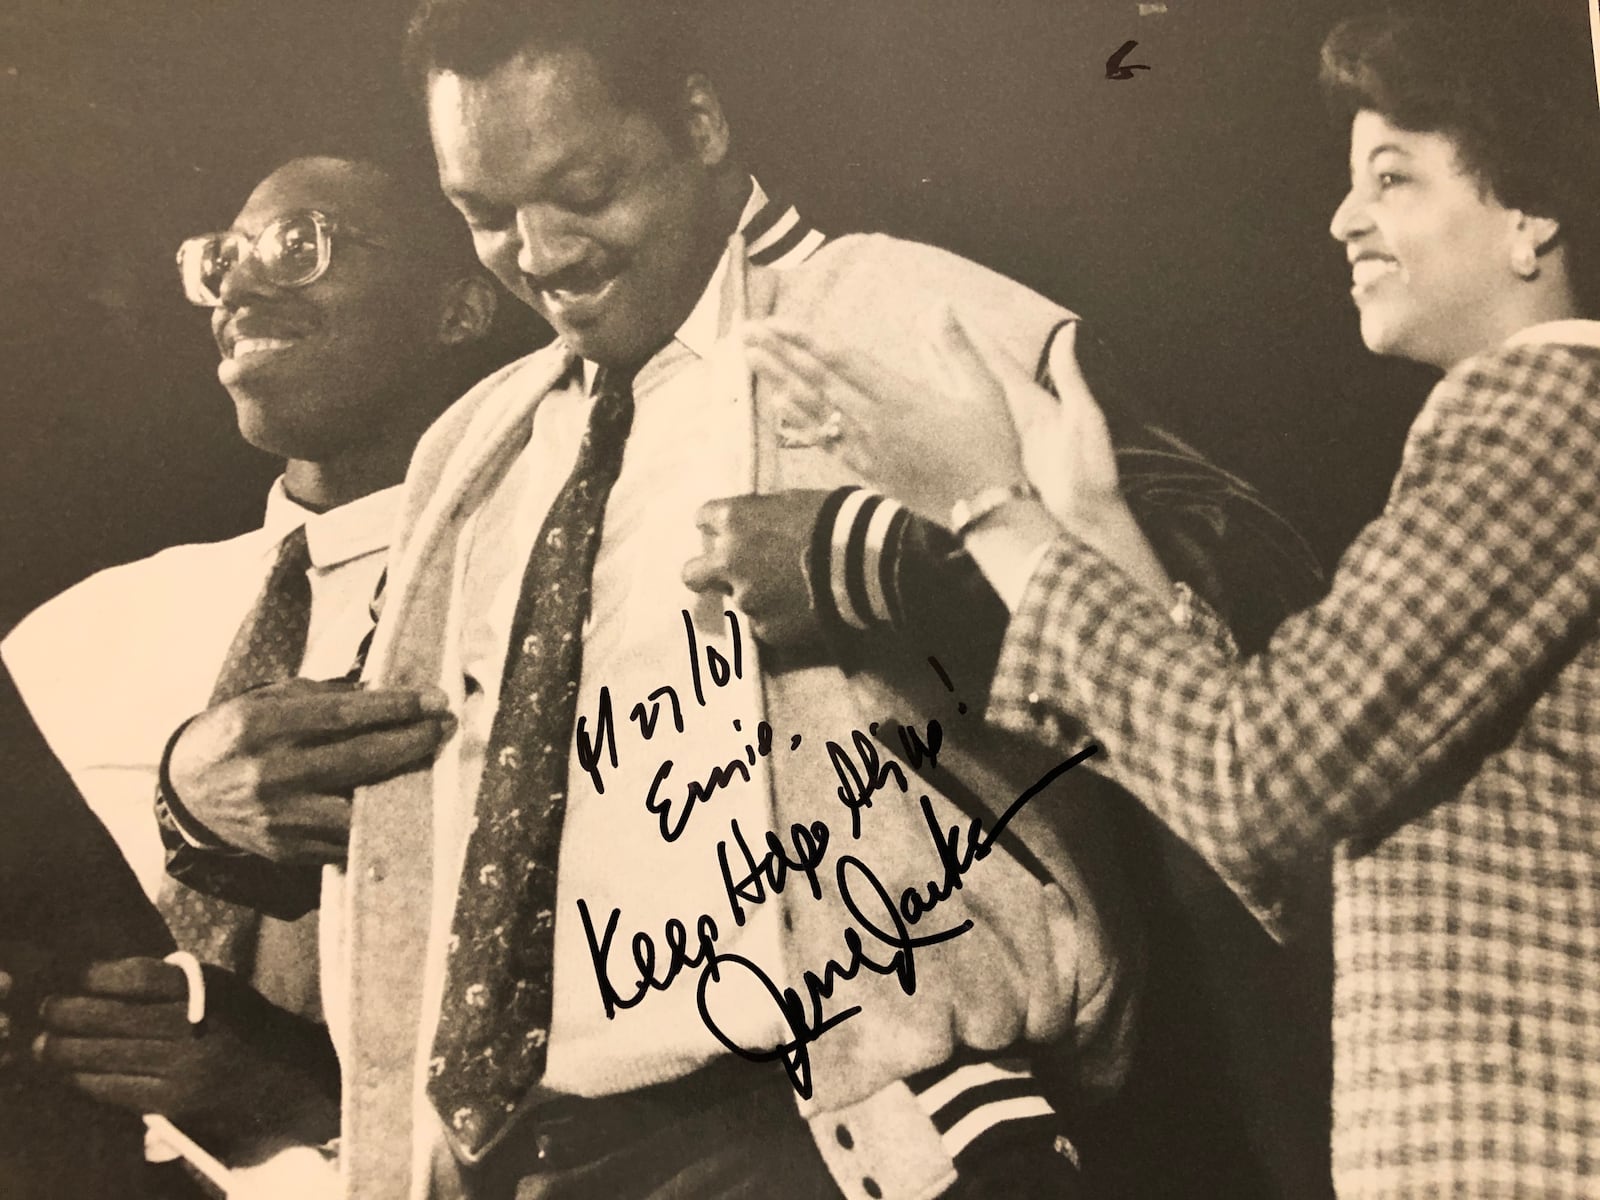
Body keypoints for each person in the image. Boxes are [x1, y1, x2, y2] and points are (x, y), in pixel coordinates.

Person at [157, 3, 1321, 1197]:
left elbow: (1231, 602)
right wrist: (204, 798)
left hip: (865, 1146)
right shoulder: (482, 438)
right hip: (526, 1159)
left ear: (702, 123)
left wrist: (874, 564)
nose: (542, 251)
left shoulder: (900, 308)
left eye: (584, 187)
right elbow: (426, 799)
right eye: (486, 215)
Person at [742, 6, 1600, 1195]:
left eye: (1392, 177)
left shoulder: (1547, 423)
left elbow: (1257, 778)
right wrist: (1090, 521)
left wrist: (988, 507)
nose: (1344, 217)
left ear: (1533, 211)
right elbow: (1280, 844)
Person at [2, 151, 500, 1187]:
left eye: (299, 246)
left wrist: (277, 1094)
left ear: (458, 307)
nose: (235, 285)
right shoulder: (74, 635)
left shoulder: (531, 607)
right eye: (220, 260)